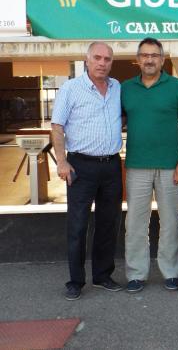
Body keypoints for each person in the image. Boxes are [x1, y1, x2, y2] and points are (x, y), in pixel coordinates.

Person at [120, 38, 178, 294]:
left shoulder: (176, 86)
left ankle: (171, 272)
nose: (149, 59)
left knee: (171, 221)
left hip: (169, 165)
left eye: (154, 55)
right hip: (136, 165)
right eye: (144, 55)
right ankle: (136, 273)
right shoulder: (126, 88)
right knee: (135, 223)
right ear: (138, 59)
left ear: (163, 59)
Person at [51, 42, 123, 301]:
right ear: (87, 59)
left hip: (112, 165)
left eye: (107, 59)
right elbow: (57, 127)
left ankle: (103, 275)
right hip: (80, 165)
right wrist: (61, 162)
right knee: (78, 225)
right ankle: (76, 281)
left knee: (108, 223)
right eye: (98, 58)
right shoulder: (71, 88)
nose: (102, 63)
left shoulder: (117, 87)